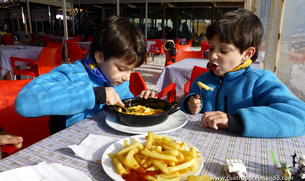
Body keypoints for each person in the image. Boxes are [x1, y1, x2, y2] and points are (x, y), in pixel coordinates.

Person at [15, 16, 154, 134]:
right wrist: (94, 94)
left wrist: (141, 102)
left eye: (131, 70)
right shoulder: (71, 74)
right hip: (69, 148)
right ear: (99, 56)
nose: (127, 77)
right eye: (121, 69)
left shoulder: (119, 82)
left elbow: (124, 106)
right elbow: (24, 103)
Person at [180, 9, 305, 138]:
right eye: (211, 48)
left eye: (223, 50)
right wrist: (189, 104)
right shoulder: (202, 80)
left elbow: (300, 114)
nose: (213, 55)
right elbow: (188, 107)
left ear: (247, 54)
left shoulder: (259, 81)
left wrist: (235, 121)